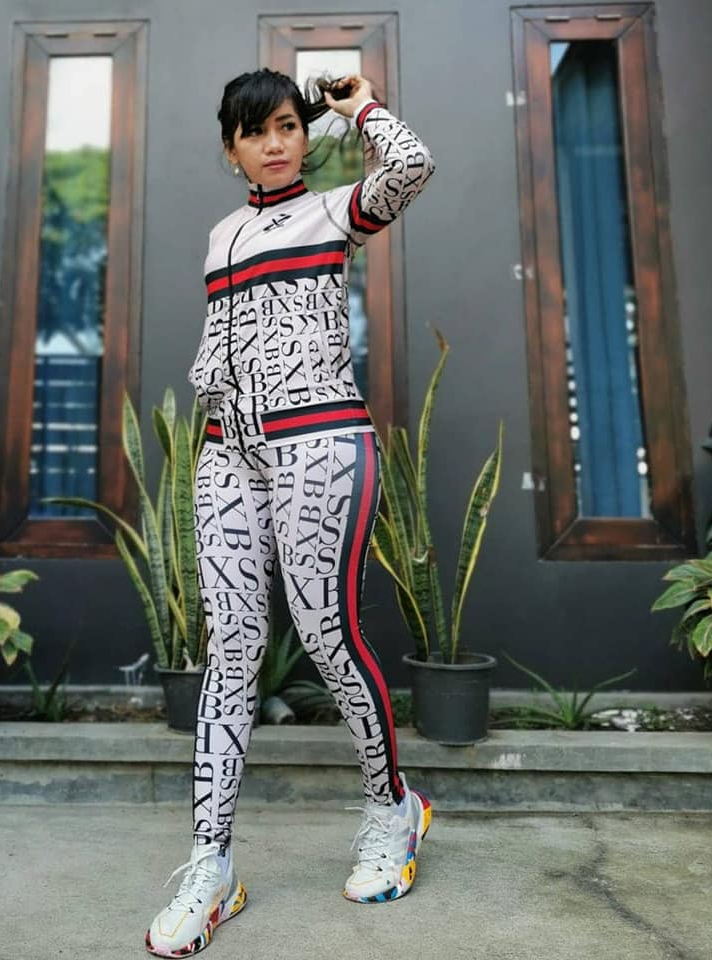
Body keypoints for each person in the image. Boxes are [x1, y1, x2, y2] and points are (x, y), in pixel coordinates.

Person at [146, 68, 436, 957]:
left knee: (326, 634)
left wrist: (360, 106)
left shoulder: (334, 212)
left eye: (286, 126)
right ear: (230, 148)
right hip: (227, 451)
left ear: (305, 137)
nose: (274, 144)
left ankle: (392, 809)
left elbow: (412, 167)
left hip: (320, 442)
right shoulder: (220, 235)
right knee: (229, 653)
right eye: (254, 132)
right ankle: (210, 867)